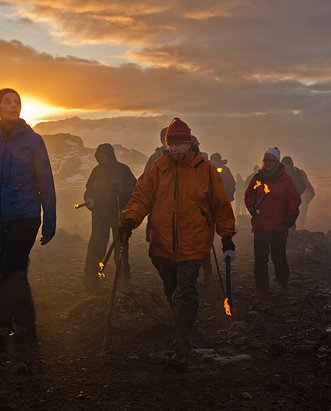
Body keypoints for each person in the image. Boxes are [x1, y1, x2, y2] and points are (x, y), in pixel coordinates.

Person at [119, 118, 236, 368]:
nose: (175, 149)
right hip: (161, 243)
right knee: (171, 289)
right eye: (171, 144)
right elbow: (141, 197)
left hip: (194, 242)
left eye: (180, 144)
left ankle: (182, 343)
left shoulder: (204, 169)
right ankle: (184, 324)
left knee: (185, 290)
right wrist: (130, 219)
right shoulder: (158, 168)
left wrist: (226, 235)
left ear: (189, 143)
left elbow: (220, 203)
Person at [0, 88, 56, 352]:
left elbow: (45, 180)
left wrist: (50, 219)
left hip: (25, 216)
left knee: (10, 269)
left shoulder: (33, 140)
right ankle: (27, 328)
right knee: (16, 273)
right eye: (7, 102)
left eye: (17, 102)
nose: (13, 105)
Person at [244, 147, 300, 293]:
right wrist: (251, 207)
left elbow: (294, 199)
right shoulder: (257, 179)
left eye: (271, 160)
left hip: (279, 225)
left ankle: (282, 281)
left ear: (277, 162)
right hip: (260, 225)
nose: (268, 163)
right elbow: (248, 195)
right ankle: (262, 285)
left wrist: (291, 216)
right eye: (266, 160)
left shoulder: (285, 180)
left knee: (278, 256)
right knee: (260, 258)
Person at [83, 143, 137, 288]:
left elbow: (135, 189)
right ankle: (91, 277)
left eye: (105, 156)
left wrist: (122, 190)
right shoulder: (96, 171)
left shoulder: (123, 170)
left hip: (119, 213)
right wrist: (89, 199)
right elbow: (89, 189)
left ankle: (123, 277)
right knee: (96, 245)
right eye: (100, 157)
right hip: (100, 214)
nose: (102, 159)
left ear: (111, 156)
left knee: (120, 246)